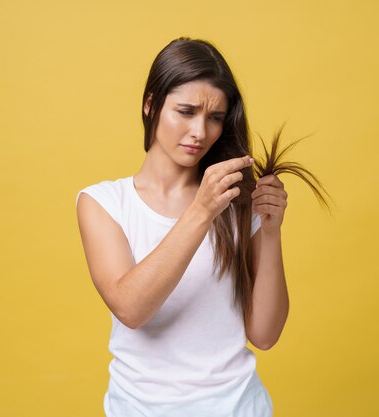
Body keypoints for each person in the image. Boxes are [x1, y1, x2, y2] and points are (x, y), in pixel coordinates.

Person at [75, 37, 290, 417]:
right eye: (186, 111)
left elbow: (265, 335)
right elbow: (131, 308)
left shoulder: (235, 200)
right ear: (151, 104)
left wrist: (270, 231)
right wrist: (201, 210)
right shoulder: (104, 203)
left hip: (240, 407)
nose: (199, 132)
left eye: (215, 118)